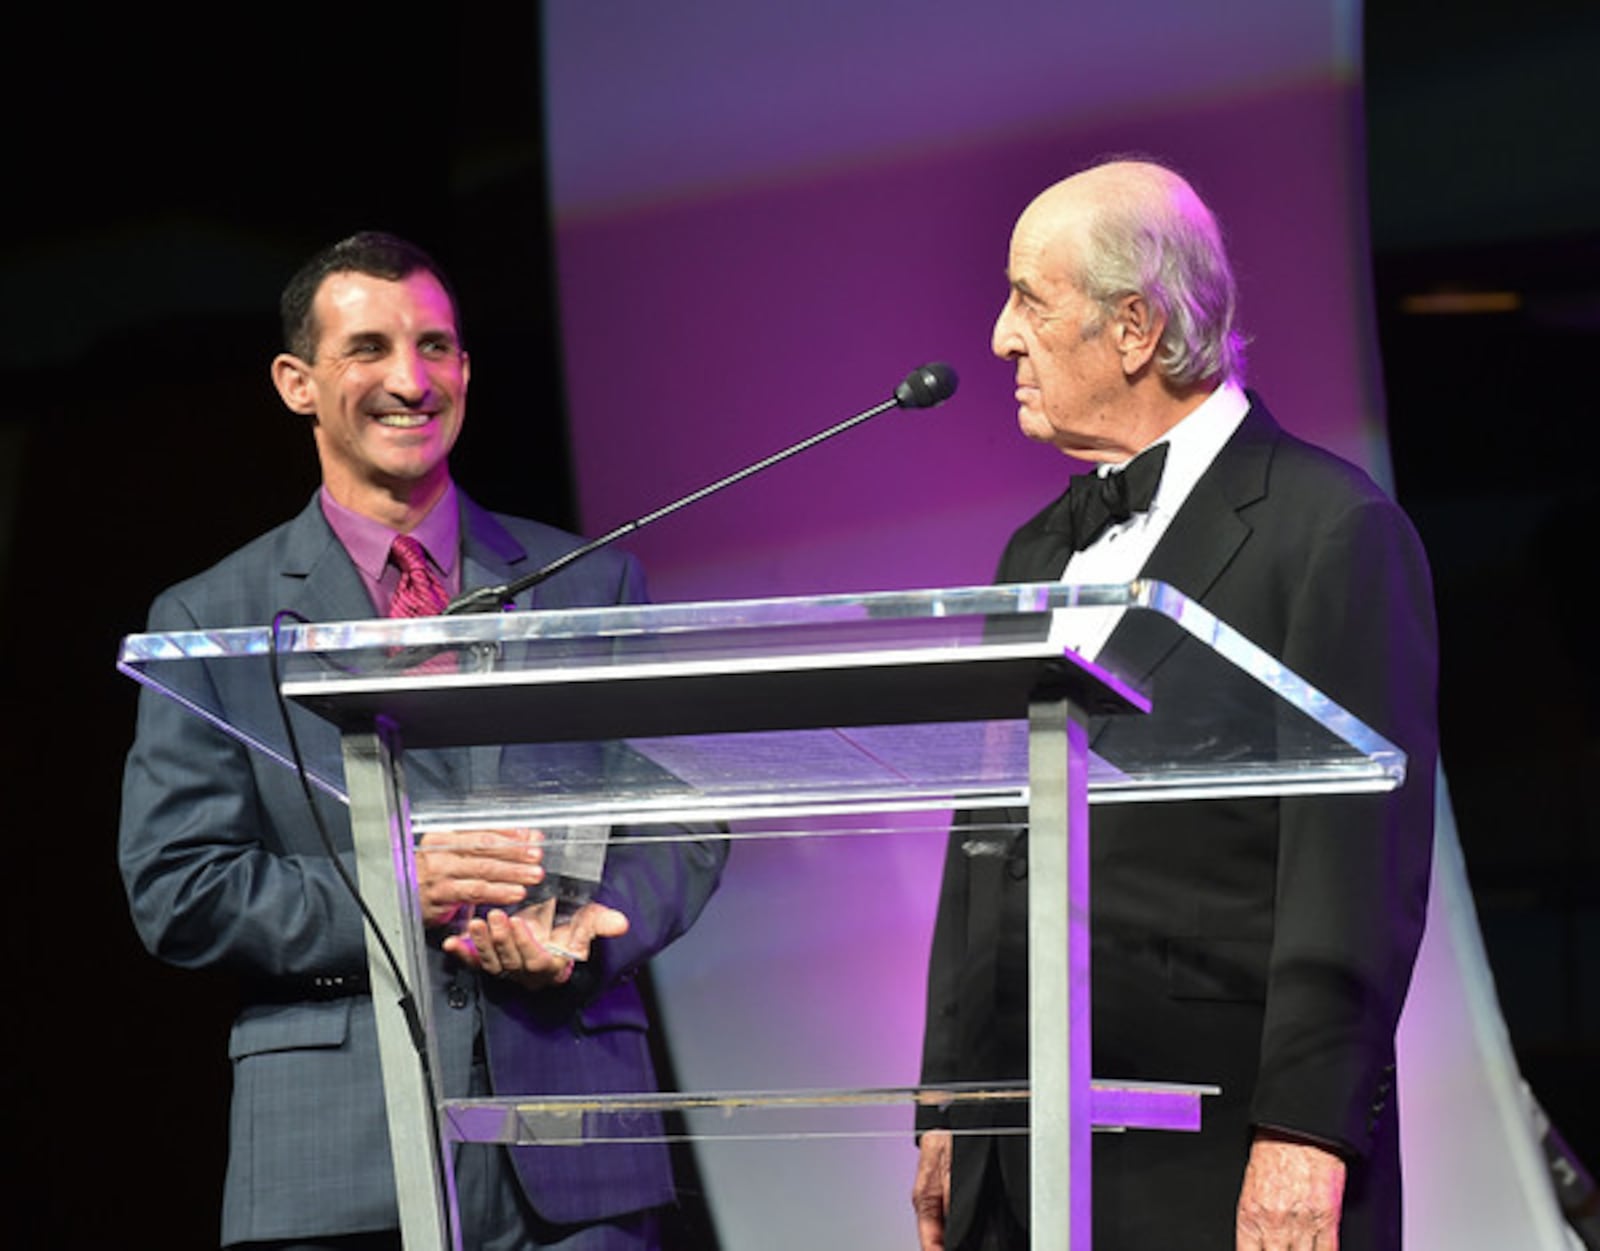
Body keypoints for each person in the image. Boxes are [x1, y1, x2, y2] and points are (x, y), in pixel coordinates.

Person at [119, 231, 728, 1250]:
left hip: (577, 1161)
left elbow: (686, 818)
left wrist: (589, 928)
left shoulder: (587, 582)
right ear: (296, 383)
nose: (411, 380)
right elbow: (179, 887)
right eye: (368, 349)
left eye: (436, 347)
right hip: (336, 1164)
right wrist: (399, 885)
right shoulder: (208, 616)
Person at [913, 161, 1438, 1250]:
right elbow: (984, 844)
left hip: (1213, 1154)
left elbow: (1355, 865)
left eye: (1028, 300)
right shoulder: (1033, 549)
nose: (1001, 337)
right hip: (1021, 1159)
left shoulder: (1327, 531)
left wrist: (1305, 1133)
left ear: (1136, 328)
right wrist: (949, 1106)